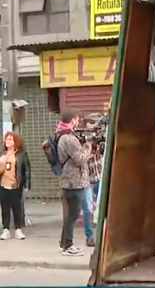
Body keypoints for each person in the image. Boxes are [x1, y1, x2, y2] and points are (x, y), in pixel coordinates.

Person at [56, 108, 91, 256]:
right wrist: (88, 151)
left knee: (70, 214)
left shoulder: (63, 135)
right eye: (76, 118)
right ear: (72, 119)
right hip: (73, 181)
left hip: (69, 180)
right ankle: (68, 245)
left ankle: (64, 243)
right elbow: (79, 159)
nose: (78, 121)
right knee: (73, 215)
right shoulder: (69, 138)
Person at [0, 132, 30, 240]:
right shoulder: (2, 154)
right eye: (7, 139)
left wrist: (26, 184)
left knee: (17, 208)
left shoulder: (22, 154)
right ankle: (6, 229)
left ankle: (18, 229)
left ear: (15, 142)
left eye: (10, 139)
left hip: (16, 185)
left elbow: (26, 170)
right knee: (4, 208)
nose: (7, 141)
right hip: (3, 185)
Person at [82, 135, 103, 247]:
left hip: (99, 179)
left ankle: (103, 233)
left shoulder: (99, 151)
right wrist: (87, 150)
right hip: (87, 182)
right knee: (88, 209)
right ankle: (89, 237)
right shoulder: (83, 151)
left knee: (103, 206)